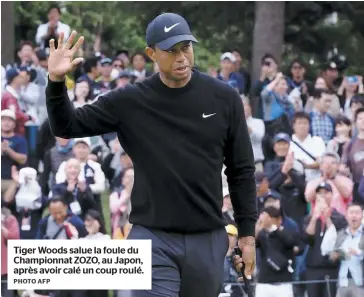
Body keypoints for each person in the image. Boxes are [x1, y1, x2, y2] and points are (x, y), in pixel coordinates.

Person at [45, 12, 257, 297]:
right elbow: (66, 125)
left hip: (207, 235)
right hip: (152, 236)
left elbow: (241, 169)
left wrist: (247, 234)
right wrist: (56, 82)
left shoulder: (224, 97)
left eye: (186, 48)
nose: (182, 57)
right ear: (151, 53)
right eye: (171, 51)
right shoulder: (129, 101)